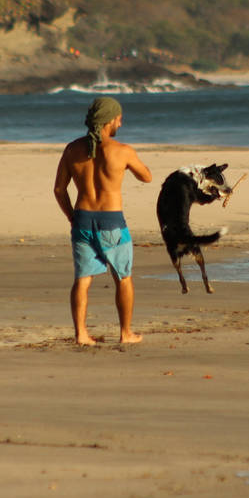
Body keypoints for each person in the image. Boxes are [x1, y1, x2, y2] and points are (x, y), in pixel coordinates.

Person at [53, 96, 152, 345]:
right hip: (112, 222)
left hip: (82, 219)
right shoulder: (122, 151)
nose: (121, 122)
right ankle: (125, 333)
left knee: (82, 280)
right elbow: (147, 177)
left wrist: (71, 216)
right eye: (119, 118)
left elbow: (59, 190)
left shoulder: (72, 149)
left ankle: (82, 334)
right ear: (110, 120)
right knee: (123, 277)